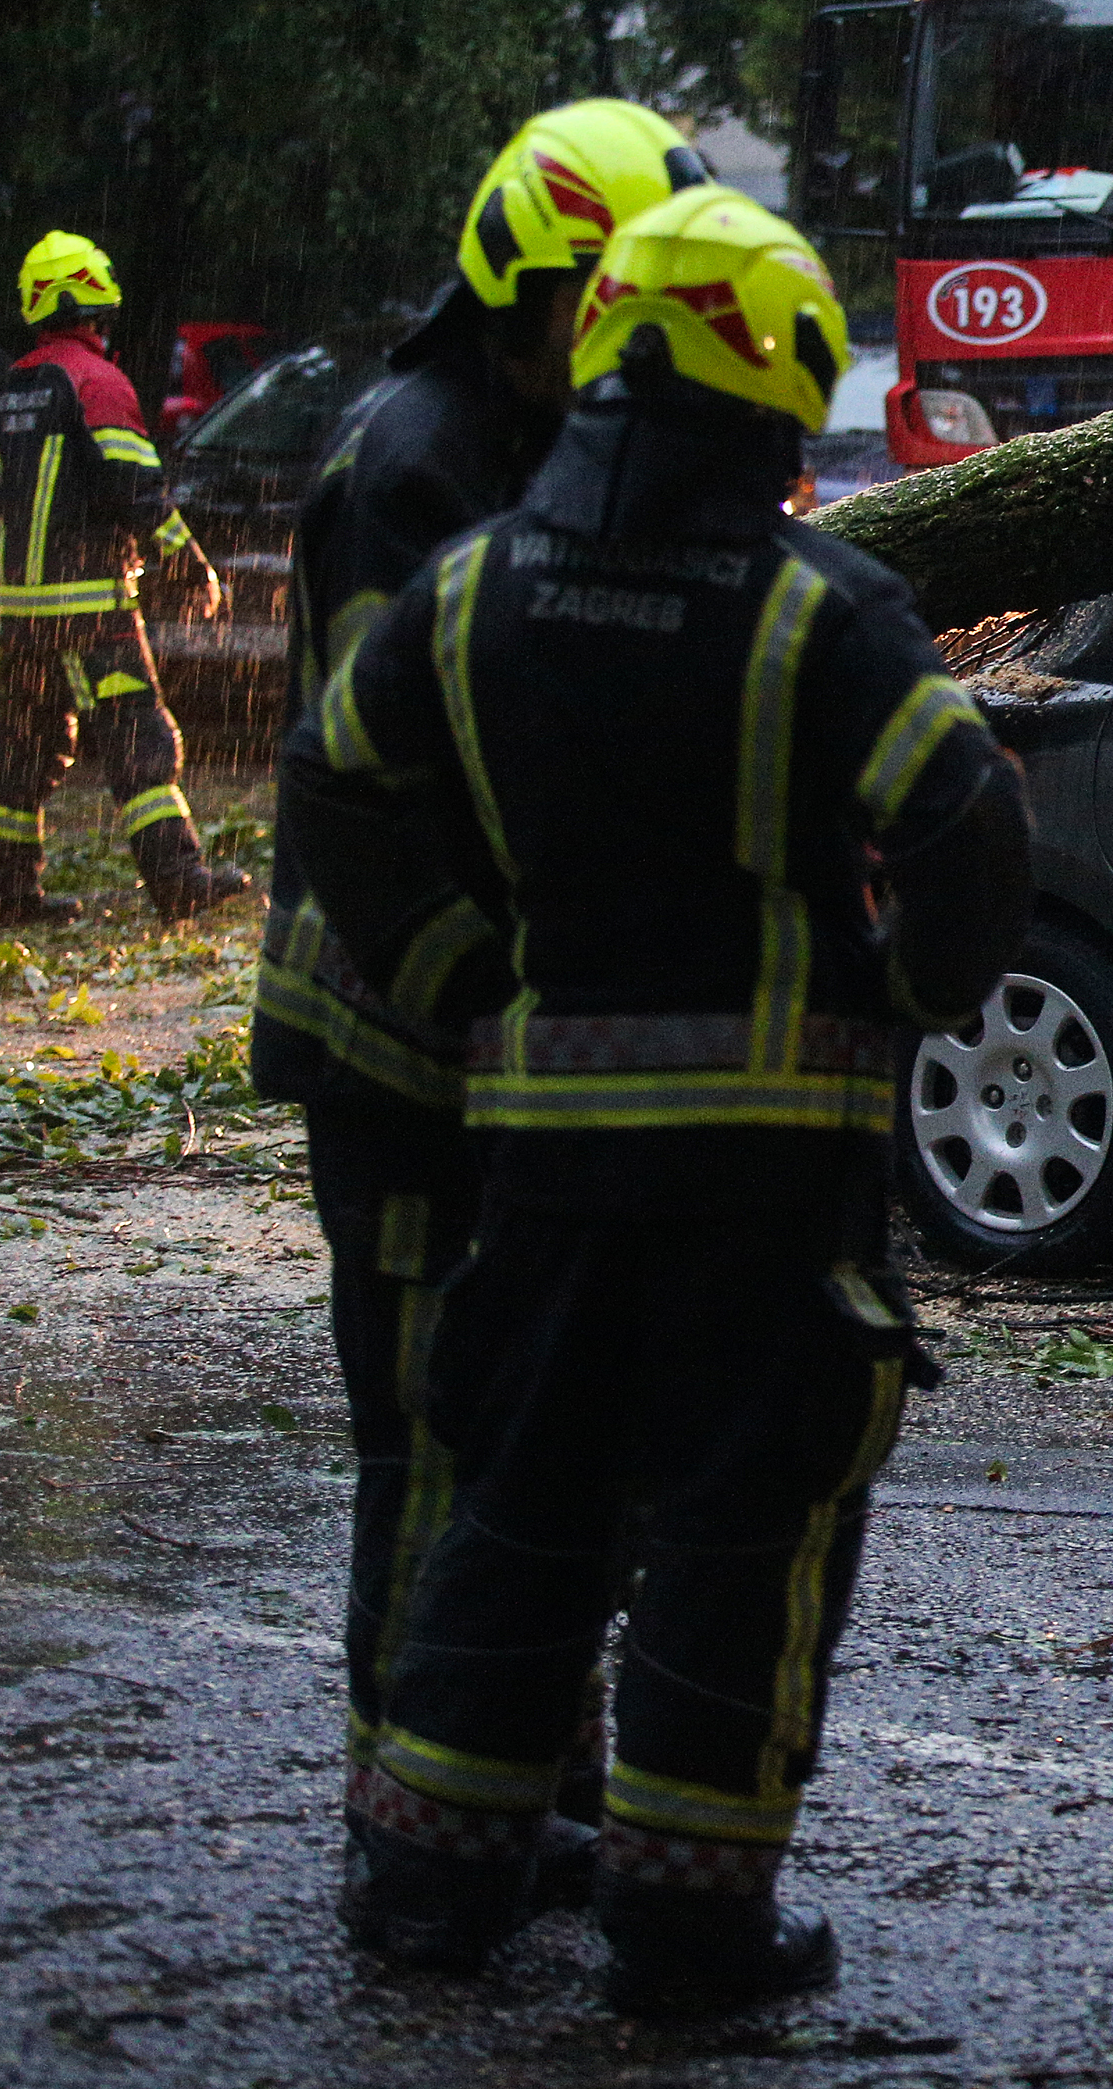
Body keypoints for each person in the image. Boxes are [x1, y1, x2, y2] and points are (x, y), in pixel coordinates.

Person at [279, 185, 1029, 2014]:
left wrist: (466, 974)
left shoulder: (469, 594)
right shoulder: (819, 618)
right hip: (763, 1189)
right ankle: (687, 1927)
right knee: (734, 1532)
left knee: (516, 1504)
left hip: (536, 1165)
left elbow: (332, 785)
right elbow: (971, 824)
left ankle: (427, 1885)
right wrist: (910, 988)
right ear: (770, 382)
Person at [249, 100, 709, 1905]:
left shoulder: (524, 434)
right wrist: (482, 1002)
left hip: (505, 1035)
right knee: (429, 1440)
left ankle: (523, 1766)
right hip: (396, 1035)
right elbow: (383, 790)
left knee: (546, 1426)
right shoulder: (409, 469)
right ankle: (408, 1806)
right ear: (525, 292)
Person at [0, 231, 245, 928]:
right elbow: (137, 490)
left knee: (23, 756)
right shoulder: (97, 381)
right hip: (93, 610)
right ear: (99, 306)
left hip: (23, 615)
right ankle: (179, 879)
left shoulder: (9, 389)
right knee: (139, 741)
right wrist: (190, 564)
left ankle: (2, 897)